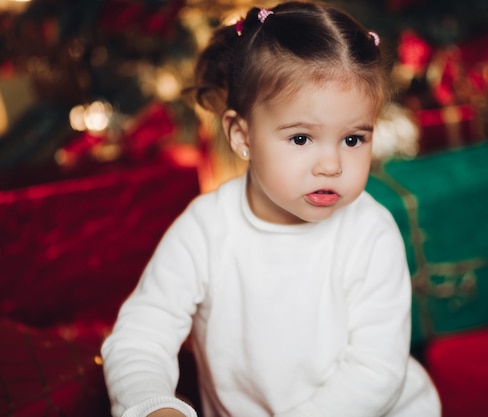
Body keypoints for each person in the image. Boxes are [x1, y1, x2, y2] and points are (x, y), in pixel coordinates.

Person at [101, 2, 441, 417]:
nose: (331, 165)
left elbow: (375, 371)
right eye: (301, 139)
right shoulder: (206, 229)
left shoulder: (370, 231)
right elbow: (141, 334)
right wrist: (151, 405)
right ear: (242, 136)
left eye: (353, 139)